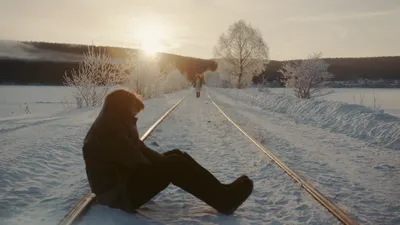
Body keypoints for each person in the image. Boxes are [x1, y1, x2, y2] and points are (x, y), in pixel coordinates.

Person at [82, 89, 253, 215]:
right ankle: (224, 201)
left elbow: (139, 149)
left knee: (176, 155)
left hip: (123, 182)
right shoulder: (109, 128)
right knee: (174, 164)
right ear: (123, 107)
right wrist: (165, 166)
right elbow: (134, 159)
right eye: (134, 110)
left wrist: (164, 162)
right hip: (119, 194)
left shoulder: (114, 121)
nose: (136, 115)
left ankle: (221, 191)